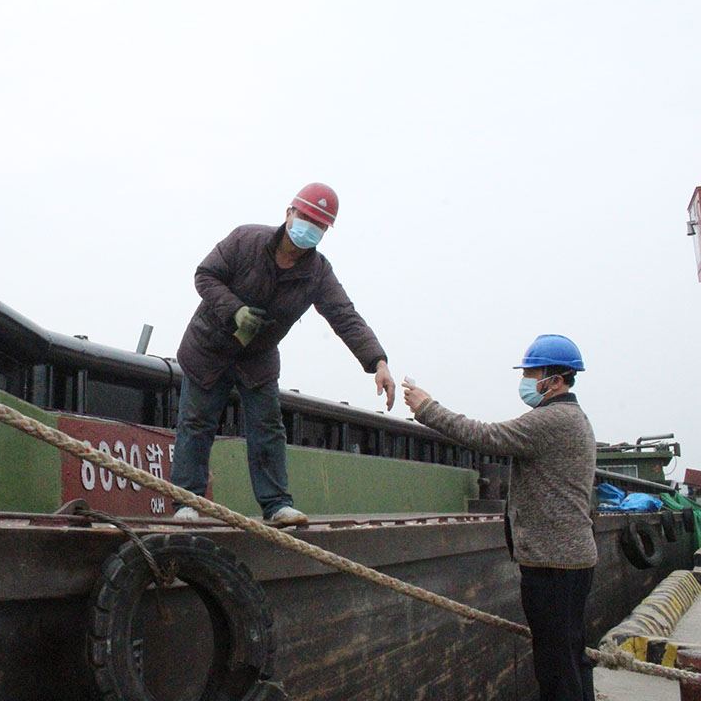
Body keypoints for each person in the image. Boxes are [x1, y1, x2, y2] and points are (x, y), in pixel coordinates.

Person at [171, 182, 395, 525]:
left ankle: (276, 505)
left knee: (268, 428)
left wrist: (377, 361)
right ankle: (187, 501)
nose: (309, 227)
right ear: (289, 213)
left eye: (318, 224)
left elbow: (345, 316)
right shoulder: (245, 240)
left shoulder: (318, 273)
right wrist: (235, 310)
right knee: (196, 424)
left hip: (257, 356)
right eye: (305, 217)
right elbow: (205, 275)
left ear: (325, 231)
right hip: (208, 347)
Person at [401, 334, 596, 701]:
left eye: (531, 372)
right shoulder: (576, 418)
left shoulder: (551, 421)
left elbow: (484, 436)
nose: (525, 380)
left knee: (555, 666)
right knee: (572, 657)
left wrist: (427, 407)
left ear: (555, 379)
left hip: (553, 564)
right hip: (572, 561)